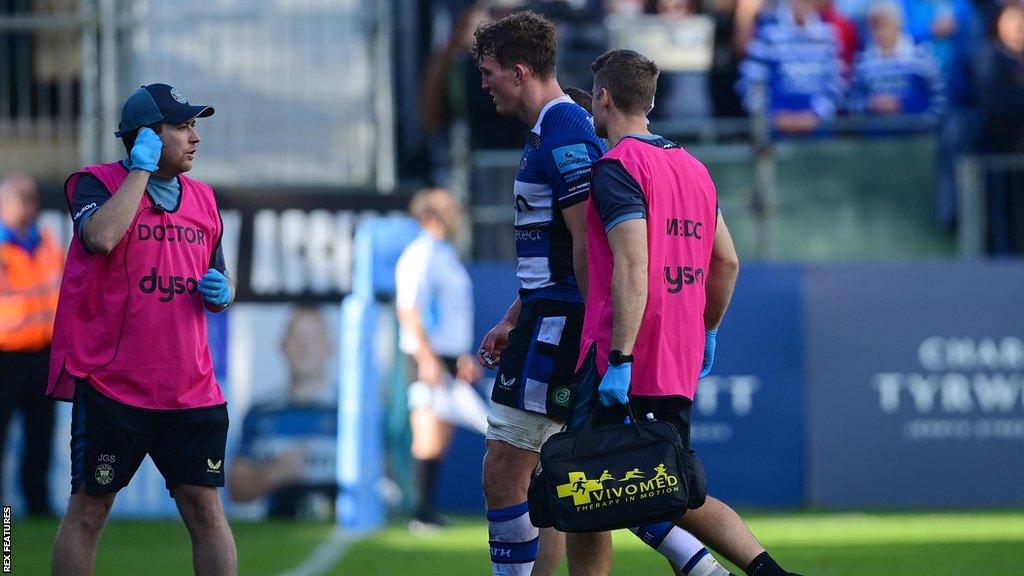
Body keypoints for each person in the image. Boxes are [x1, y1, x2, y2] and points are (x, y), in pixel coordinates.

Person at [564, 49, 802, 576]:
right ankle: (764, 572)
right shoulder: (695, 168)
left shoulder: (617, 168)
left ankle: (712, 569)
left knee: (590, 488)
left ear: (602, 99)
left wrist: (620, 358)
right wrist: (708, 329)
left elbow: (631, 266)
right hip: (678, 354)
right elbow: (728, 261)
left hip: (623, 355)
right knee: (672, 486)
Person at [47, 83, 237, 575]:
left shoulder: (204, 198)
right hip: (114, 387)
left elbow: (216, 269)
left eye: (195, 125)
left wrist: (224, 291)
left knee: (205, 509)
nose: (195, 137)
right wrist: (140, 170)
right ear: (148, 136)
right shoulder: (93, 182)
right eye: (182, 126)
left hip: (190, 388)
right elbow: (102, 237)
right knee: (89, 510)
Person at [471, 11, 601, 576]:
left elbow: (588, 243)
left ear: (519, 72)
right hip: (546, 316)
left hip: (562, 325)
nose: (483, 84)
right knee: (558, 483)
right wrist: (513, 316)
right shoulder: (550, 131)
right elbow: (552, 259)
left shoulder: (567, 130)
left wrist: (603, 336)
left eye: (488, 71)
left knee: (505, 471)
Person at [394, 188, 486, 533]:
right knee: (428, 434)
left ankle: (427, 510)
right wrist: (428, 358)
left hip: (448, 357)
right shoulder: (419, 255)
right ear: (430, 216)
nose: (457, 210)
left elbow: (449, 314)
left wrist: (459, 356)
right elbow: (410, 310)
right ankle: (420, 513)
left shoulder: (445, 254)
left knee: (442, 436)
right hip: (426, 358)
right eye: (449, 207)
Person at [228, 306, 339, 520]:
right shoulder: (261, 413)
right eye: (296, 338)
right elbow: (236, 489)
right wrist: (272, 474)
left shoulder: (349, 414)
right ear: (282, 346)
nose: (304, 347)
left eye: (313, 338)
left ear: (329, 347)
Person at [0, 172, 62, 517]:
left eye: (33, 197)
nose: (32, 205)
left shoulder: (47, 241)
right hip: (4, 353)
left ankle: (37, 504)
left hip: (43, 352)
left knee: (41, 434)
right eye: (23, 198)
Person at [737, 0, 845, 134]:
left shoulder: (827, 34)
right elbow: (751, 83)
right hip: (775, 132)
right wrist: (773, 115)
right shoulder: (767, 32)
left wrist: (817, 114)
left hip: (819, 132)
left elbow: (836, 85)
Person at [848, 1, 947, 121]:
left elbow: (939, 97)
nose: (879, 33)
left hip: (916, 134)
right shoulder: (864, 62)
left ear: (898, 24)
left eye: (884, 25)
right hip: (876, 136)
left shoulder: (920, 56)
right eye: (874, 27)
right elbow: (852, 102)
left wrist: (903, 105)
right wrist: (872, 104)